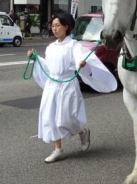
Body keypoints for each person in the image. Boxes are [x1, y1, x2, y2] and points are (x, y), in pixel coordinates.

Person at [26, 10, 118, 163]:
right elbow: (48, 66)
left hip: (68, 85)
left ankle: (82, 131)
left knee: (68, 118)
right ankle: (58, 149)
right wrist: (36, 58)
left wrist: (81, 64)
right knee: (50, 117)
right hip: (52, 86)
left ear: (66, 27)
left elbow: (79, 58)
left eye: (58, 25)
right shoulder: (51, 47)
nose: (54, 29)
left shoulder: (74, 45)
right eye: (53, 26)